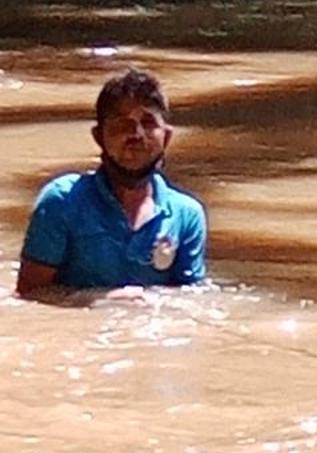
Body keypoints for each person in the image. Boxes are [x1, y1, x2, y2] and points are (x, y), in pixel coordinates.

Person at [15, 68, 208, 300]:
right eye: (122, 124)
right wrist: (102, 301)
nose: (136, 135)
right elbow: (29, 293)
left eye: (148, 122)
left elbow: (190, 299)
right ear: (99, 137)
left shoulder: (186, 215)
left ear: (166, 137)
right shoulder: (62, 201)